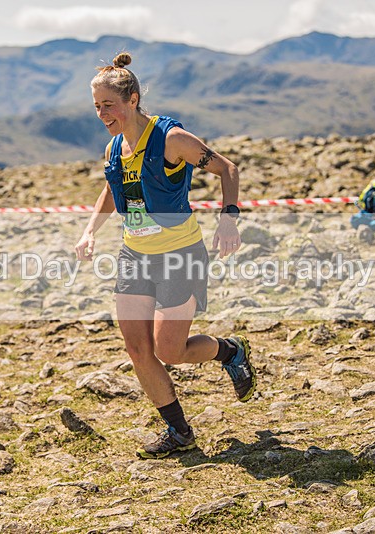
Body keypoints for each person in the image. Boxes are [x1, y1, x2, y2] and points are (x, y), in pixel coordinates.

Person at [74, 52, 256, 459]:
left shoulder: (171, 138)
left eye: (109, 105)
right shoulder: (114, 147)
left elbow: (228, 169)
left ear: (132, 100)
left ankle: (230, 351)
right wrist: (90, 231)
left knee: (169, 351)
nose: (103, 114)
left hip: (179, 254)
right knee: (137, 350)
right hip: (134, 256)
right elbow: (112, 188)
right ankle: (179, 432)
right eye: (97, 107)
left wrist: (228, 219)